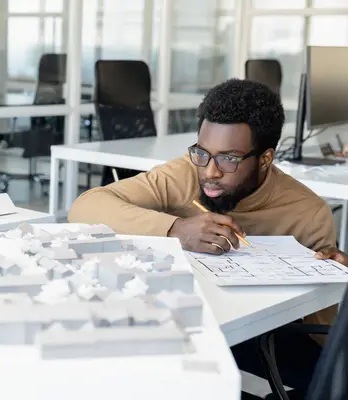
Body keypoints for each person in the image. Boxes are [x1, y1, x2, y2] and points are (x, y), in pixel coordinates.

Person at [68, 79, 338, 397]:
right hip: (174, 318)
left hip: (257, 333)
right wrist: (176, 229)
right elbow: (85, 206)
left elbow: (324, 334)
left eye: (229, 159)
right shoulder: (185, 172)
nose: (210, 172)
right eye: (203, 153)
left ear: (265, 159)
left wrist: (333, 277)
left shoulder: (308, 212)